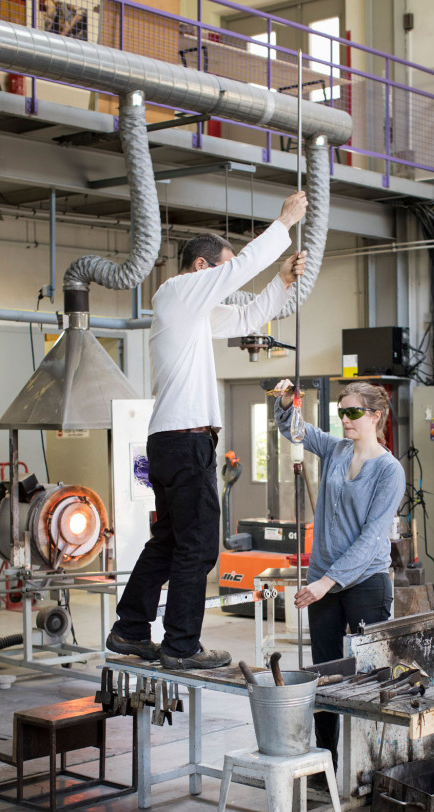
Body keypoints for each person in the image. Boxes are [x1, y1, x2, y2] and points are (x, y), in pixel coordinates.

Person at [107, 192, 308, 670]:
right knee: (196, 549)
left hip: (174, 442)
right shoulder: (179, 291)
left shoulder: (189, 311)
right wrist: (283, 223)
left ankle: (130, 629)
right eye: (222, 267)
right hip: (184, 441)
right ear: (201, 267)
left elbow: (245, 317)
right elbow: (238, 275)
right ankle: (181, 646)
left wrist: (280, 282)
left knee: (172, 543)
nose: (227, 275)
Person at [274, 378, 405, 776]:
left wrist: (326, 582)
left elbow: (370, 539)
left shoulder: (389, 471)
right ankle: (324, 766)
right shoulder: (335, 450)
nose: (345, 420)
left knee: (370, 678)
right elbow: (295, 429)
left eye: (353, 413)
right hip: (323, 583)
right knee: (326, 676)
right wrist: (285, 401)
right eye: (341, 413)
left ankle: (375, 768)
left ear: (375, 416)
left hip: (364, 583)